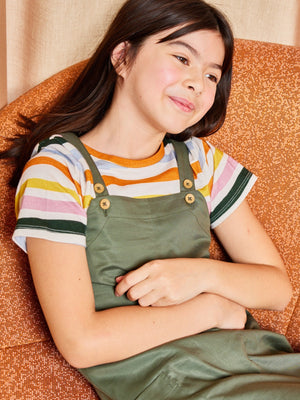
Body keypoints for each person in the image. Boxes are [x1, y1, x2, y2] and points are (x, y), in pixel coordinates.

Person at [1, 0, 300, 398]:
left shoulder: (198, 161)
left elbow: (277, 289)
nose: (199, 83)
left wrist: (198, 276)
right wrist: (211, 308)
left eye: (213, 75)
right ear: (123, 56)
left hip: (259, 361)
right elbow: (81, 343)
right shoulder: (60, 169)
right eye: (181, 58)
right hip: (175, 385)